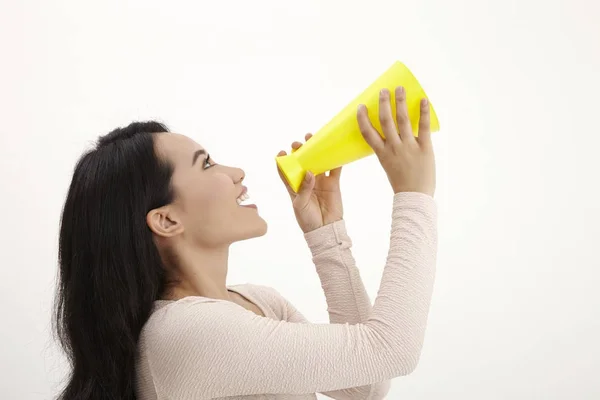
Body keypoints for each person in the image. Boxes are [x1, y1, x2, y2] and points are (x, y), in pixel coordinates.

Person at [53, 86, 438, 400]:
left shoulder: (259, 303)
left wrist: (327, 234)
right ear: (167, 219)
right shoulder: (184, 331)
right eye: (206, 164)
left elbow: (365, 385)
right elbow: (391, 348)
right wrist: (415, 194)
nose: (235, 173)